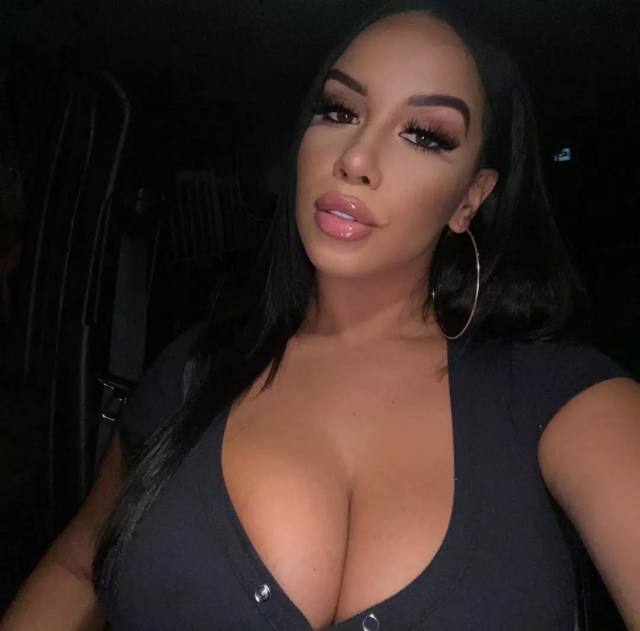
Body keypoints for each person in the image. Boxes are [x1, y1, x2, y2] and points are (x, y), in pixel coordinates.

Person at [3, 1, 639, 629]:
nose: (356, 158)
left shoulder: (562, 396)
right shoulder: (197, 370)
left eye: (424, 135)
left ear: (470, 199)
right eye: (340, 110)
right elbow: (77, 568)